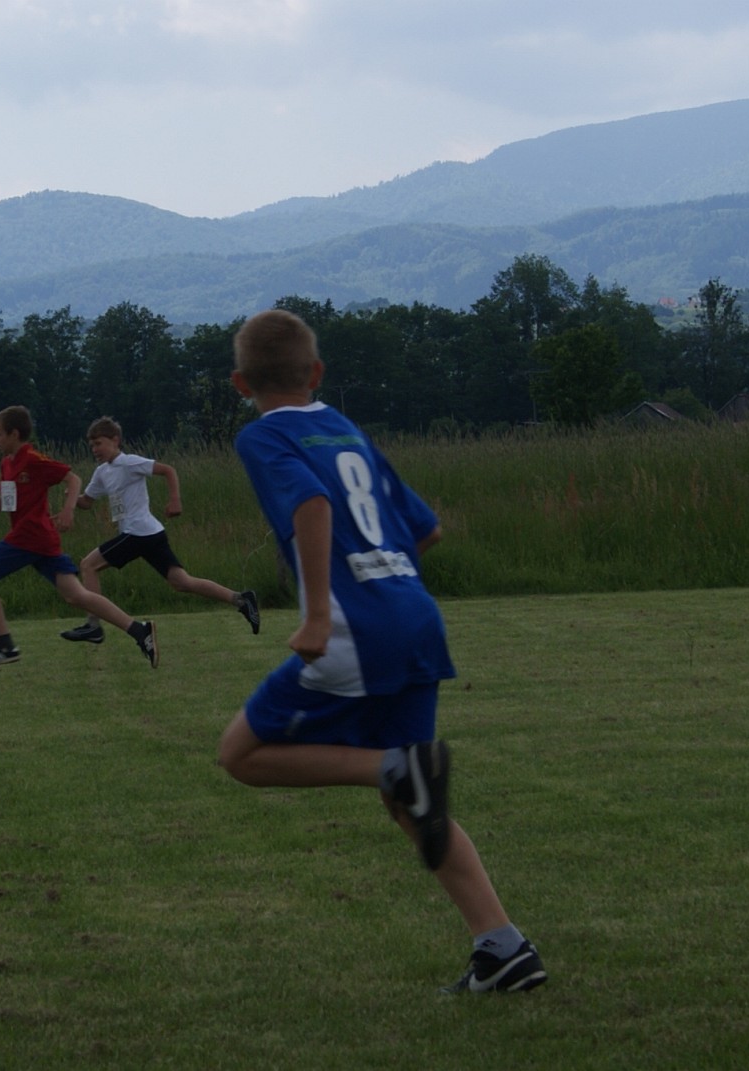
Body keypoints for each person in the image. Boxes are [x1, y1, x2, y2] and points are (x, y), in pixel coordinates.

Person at [215, 309, 546, 994]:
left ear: (240, 383)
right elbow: (426, 529)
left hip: (353, 630)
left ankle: (389, 768)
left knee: (240, 754)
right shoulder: (345, 429)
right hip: (413, 617)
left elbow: (311, 506)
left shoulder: (262, 435)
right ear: (317, 372)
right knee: (414, 803)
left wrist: (316, 614)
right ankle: (502, 946)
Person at [0, 405, 158, 669]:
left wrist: (67, 510)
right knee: (76, 596)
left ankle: (5, 646)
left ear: (14, 434)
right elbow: (8, 503)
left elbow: (72, 479)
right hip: (39, 541)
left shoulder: (33, 460)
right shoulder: (7, 464)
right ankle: (140, 631)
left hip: (30, 537)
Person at [59, 416, 260, 645]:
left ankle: (93, 626)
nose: (95, 449)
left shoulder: (129, 462)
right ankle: (241, 600)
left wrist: (175, 499)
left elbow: (168, 470)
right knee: (181, 582)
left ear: (115, 440)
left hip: (137, 532)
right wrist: (73, 498)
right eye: (92, 445)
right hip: (150, 534)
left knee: (88, 565)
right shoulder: (102, 472)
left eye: (99, 443)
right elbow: (87, 502)